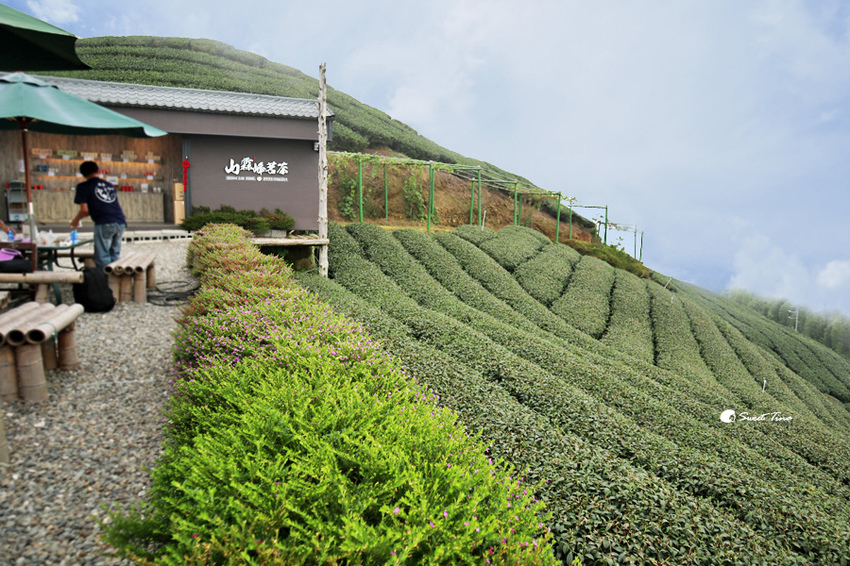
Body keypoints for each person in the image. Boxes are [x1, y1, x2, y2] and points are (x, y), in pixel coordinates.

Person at [70, 161, 126, 271]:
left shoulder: (83, 186)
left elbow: (85, 211)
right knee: (114, 254)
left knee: (102, 256)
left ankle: (104, 284)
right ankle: (115, 282)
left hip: (104, 222)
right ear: (98, 171)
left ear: (83, 174)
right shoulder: (109, 185)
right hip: (120, 221)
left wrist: (75, 221)